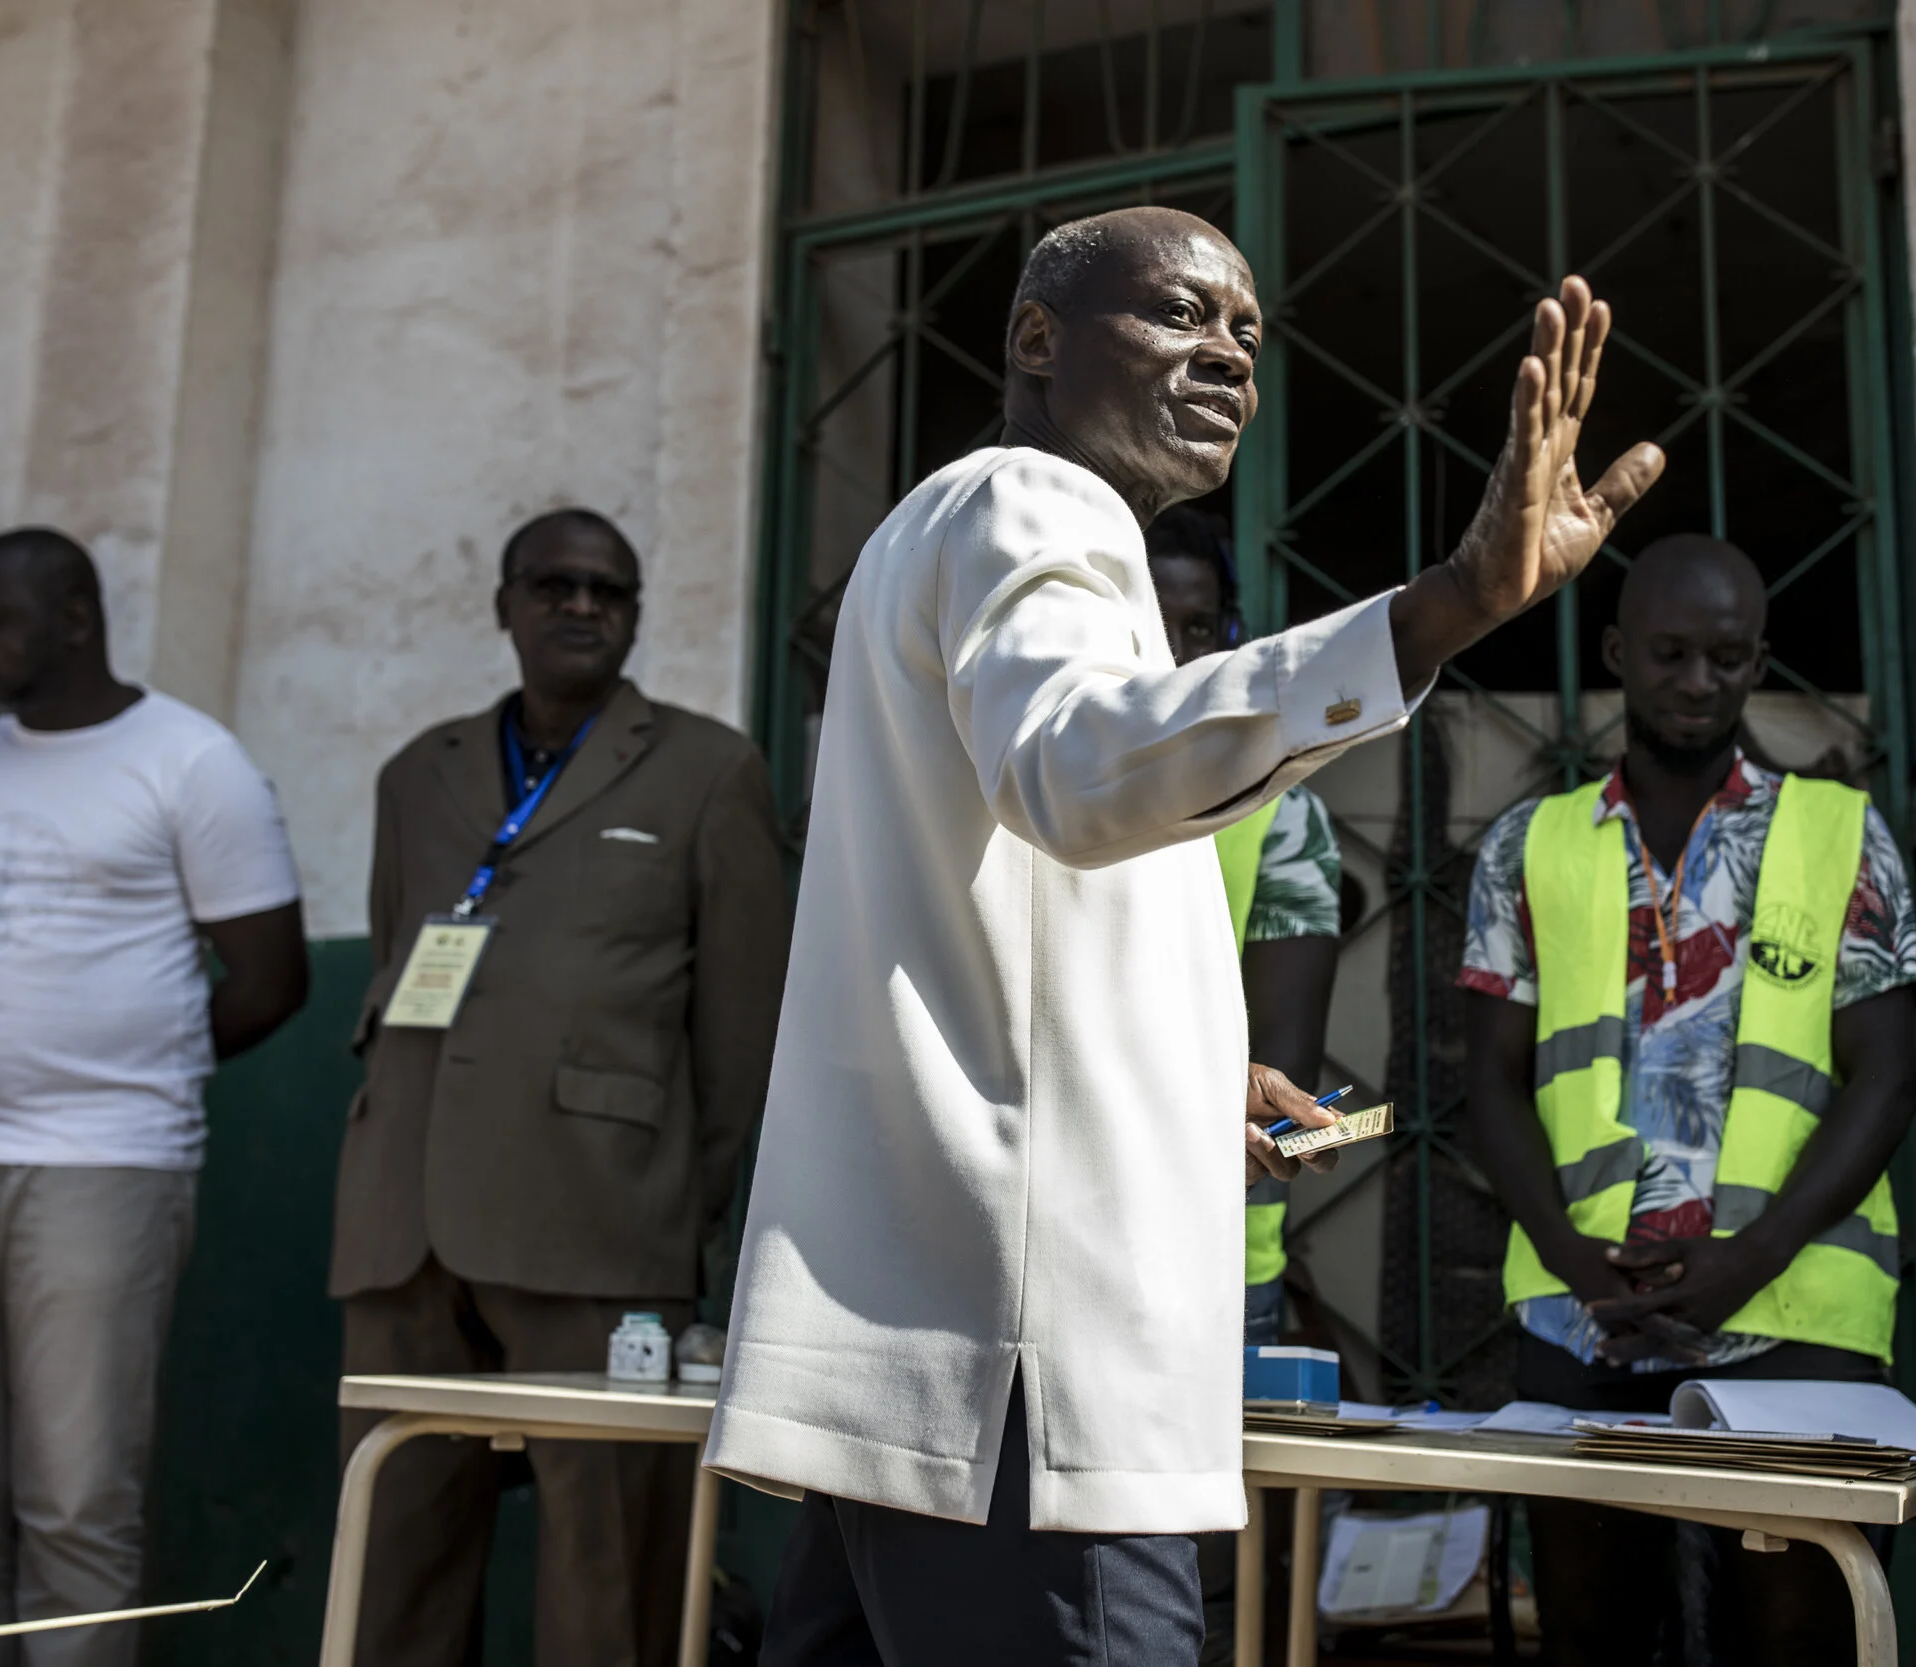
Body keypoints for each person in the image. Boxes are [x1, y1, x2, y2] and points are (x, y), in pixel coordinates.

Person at [707, 206, 1664, 1666]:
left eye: (1248, 334)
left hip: (928, 1357)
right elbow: (1082, 772)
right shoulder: (1034, 506)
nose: (1228, 357)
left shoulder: (956, 532)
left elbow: (1014, 913)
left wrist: (1194, 1087)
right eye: (1178, 315)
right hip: (1022, 1370)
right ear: (1038, 340)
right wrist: (1446, 609)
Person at [1462, 533, 1916, 1667]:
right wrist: (1578, 1264)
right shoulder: (1528, 845)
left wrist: (1752, 1254)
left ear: (1758, 660)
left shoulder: (1838, 833)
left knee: (1795, 1631)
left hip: (1794, 1306)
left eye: (1727, 657)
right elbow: (1490, 1081)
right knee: (1594, 1627)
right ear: (1619, 652)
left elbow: (1887, 1073)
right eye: (1670, 653)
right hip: (1583, 1312)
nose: (1697, 681)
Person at [334, 508, 789, 1667]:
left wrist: (676, 1217)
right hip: (404, 1232)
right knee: (392, 1564)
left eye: (608, 590)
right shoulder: (416, 774)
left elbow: (739, 1035)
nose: (580, 606)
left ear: (634, 616)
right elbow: (401, 958)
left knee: (606, 1579)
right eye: (553, 585)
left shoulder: (708, 768)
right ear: (505, 605)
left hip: (601, 1224)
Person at [0, 528, 309, 1667]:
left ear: (77, 619)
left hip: (106, 1167)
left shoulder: (189, 760)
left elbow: (272, 978)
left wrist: (129, 1073)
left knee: (77, 1507)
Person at [1144, 505, 1346, 1346]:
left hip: (1212, 1262)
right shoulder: (1030, 795)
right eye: (1153, 625)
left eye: (1202, 628)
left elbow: (1281, 1081)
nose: (1181, 655)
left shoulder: (1281, 817)